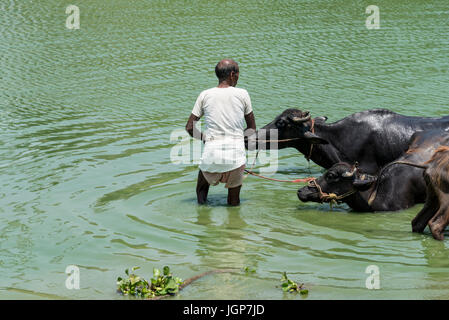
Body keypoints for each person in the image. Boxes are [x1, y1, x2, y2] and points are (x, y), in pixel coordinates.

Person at [185, 59, 256, 206]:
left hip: (211, 154)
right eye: (237, 74)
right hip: (236, 158)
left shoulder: (205, 95)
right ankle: (233, 227)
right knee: (234, 202)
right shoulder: (242, 94)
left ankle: (202, 221)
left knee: (201, 191)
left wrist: (205, 138)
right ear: (232, 74)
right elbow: (251, 128)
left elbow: (189, 128)